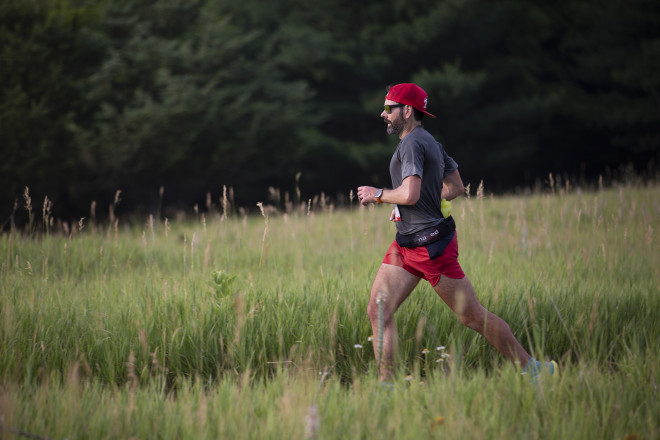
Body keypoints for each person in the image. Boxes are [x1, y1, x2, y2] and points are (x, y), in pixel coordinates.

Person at [356, 83, 556, 382]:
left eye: (388, 108)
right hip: (407, 243)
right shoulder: (430, 141)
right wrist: (406, 206)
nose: (382, 114)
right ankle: (386, 388)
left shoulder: (411, 144)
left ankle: (533, 368)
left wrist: (379, 194)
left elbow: (410, 193)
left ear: (407, 111)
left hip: (430, 247)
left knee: (472, 316)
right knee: (378, 309)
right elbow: (455, 187)